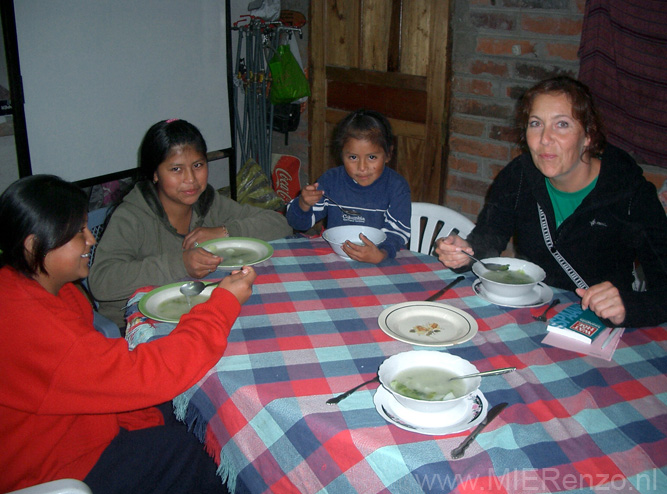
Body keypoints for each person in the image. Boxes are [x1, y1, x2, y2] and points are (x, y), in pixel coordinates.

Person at [0, 175, 256, 494]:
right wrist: (223, 305)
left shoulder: (47, 288)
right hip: (56, 469)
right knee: (194, 453)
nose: (91, 240)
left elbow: (107, 373)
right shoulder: (29, 324)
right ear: (33, 245)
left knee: (198, 412)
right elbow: (146, 374)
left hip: (80, 424)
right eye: (78, 233)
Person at [436, 76, 667, 328]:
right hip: (534, 315)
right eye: (536, 124)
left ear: (588, 135)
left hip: (603, 328)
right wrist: (465, 253)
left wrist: (629, 306)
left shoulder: (630, 193)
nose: (545, 138)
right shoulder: (518, 176)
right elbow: (488, 239)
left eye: (562, 124)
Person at [88, 119, 292, 328]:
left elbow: (280, 224)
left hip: (191, 311)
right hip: (137, 325)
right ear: (155, 174)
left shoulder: (208, 203)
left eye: (198, 165)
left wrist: (225, 231)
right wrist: (180, 263)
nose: (191, 179)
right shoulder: (132, 216)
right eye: (176, 169)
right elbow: (102, 282)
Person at [285, 109, 411, 263]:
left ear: (388, 154)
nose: (362, 167)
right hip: (335, 258)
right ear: (341, 155)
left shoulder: (396, 187)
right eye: (353, 157)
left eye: (372, 157)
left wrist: (381, 254)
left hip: (380, 261)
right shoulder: (331, 181)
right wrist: (303, 204)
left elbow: (397, 235)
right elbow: (298, 224)